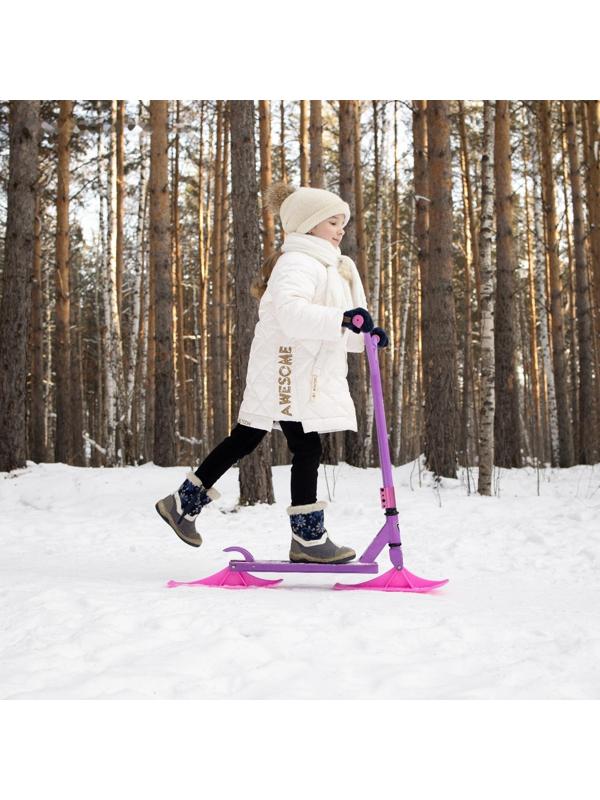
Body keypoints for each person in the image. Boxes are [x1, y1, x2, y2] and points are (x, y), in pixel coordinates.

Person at [155, 182, 389, 564]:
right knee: (303, 446)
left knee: (247, 438)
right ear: (309, 224)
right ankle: (307, 540)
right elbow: (293, 314)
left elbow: (334, 329)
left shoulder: (327, 266)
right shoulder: (297, 262)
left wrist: (363, 335)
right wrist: (343, 318)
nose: (341, 228)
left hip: (299, 370)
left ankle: (183, 503)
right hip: (285, 365)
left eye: (342, 222)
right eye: (332, 221)